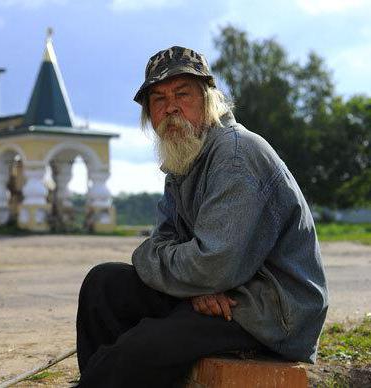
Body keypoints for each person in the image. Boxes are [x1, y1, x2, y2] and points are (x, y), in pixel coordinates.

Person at [75, 46, 328, 387]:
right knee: (103, 284)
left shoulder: (236, 155)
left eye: (183, 94)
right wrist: (192, 286)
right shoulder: (182, 158)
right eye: (158, 99)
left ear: (208, 99)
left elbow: (212, 265)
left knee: (141, 348)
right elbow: (163, 244)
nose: (171, 108)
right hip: (221, 294)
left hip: (271, 312)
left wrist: (195, 278)